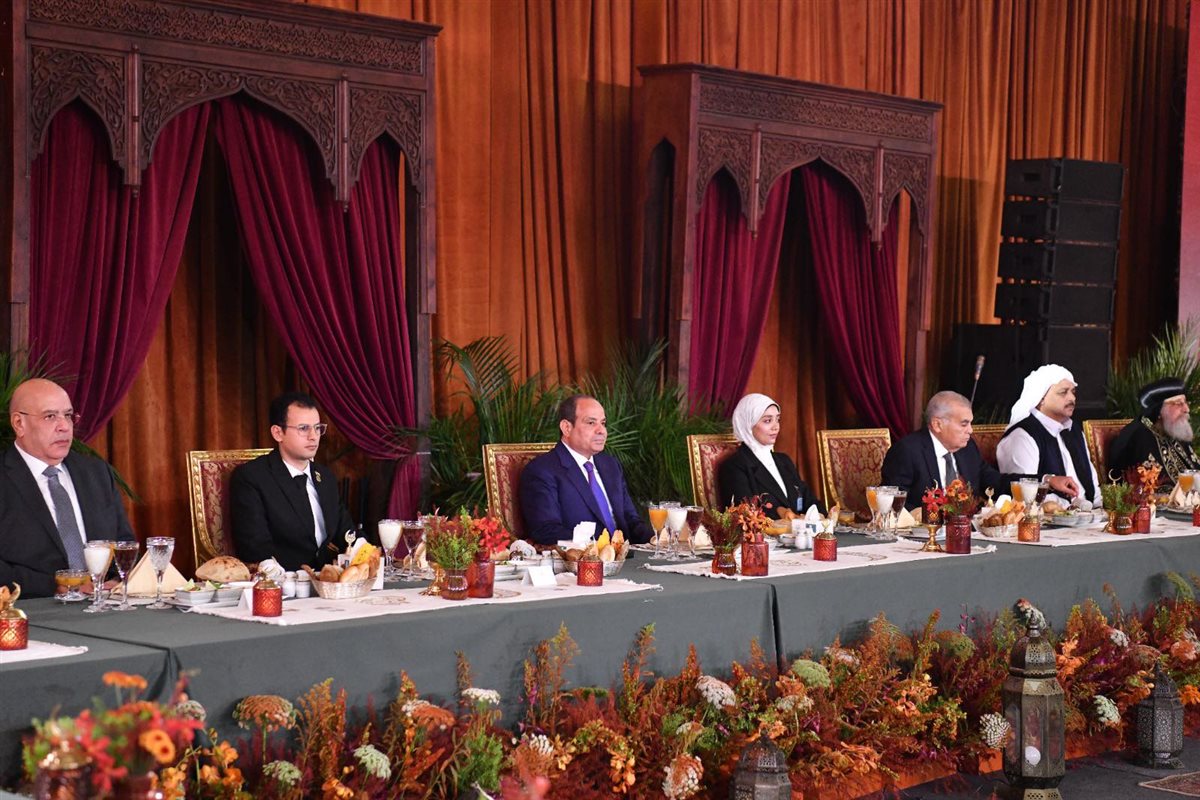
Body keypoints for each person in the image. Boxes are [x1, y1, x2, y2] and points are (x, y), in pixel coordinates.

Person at [0, 379, 135, 598]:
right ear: (19, 423)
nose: (64, 426)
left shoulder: (95, 472)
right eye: (50, 416)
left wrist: (116, 581)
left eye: (68, 415)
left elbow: (124, 544)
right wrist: (56, 586)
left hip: (102, 604)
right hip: (34, 607)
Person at [881, 390, 1081, 511]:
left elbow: (998, 482)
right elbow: (893, 502)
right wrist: (927, 516)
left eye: (970, 423)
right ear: (937, 424)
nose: (971, 430)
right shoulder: (907, 451)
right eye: (964, 424)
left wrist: (1047, 480)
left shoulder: (967, 449)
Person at [230, 392, 359, 571]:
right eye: (304, 428)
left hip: (328, 579)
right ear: (278, 433)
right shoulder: (252, 477)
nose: (313, 436)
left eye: (317, 428)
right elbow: (254, 546)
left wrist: (364, 551)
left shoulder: (325, 476)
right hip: (283, 580)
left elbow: (347, 532)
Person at [519, 394, 653, 546]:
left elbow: (631, 520)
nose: (601, 430)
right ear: (567, 428)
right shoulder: (542, 470)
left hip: (627, 554)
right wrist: (599, 547)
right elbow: (546, 530)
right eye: (591, 423)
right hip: (583, 557)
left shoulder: (610, 465)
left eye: (603, 423)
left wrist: (655, 539)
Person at [996, 365, 1101, 504]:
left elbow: (1093, 485)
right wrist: (1075, 509)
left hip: (1090, 514)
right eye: (1063, 392)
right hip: (1051, 516)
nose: (1072, 398)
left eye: (1073, 392)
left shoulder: (1074, 430)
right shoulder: (1022, 435)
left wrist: (1100, 509)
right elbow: (1025, 496)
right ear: (1041, 398)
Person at [717, 393, 823, 518]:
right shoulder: (734, 467)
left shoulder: (784, 461)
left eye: (777, 419)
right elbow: (745, 513)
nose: (776, 427)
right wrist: (780, 512)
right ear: (748, 424)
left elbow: (808, 500)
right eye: (767, 421)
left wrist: (821, 515)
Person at [1108, 378, 1200, 486]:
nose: (1186, 409)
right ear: (1159, 409)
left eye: (1185, 402)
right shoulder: (1139, 437)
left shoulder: (1174, 430)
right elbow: (1143, 488)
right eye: (1178, 403)